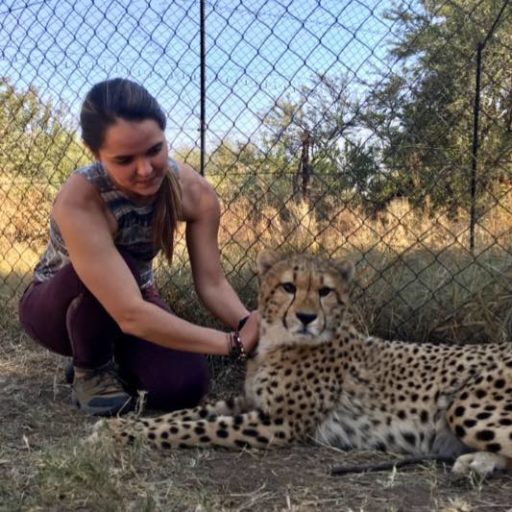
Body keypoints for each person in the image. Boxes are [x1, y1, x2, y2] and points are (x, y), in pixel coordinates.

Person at [18, 78, 259, 417]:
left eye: (154, 150)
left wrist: (247, 323)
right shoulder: (81, 198)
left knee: (184, 385)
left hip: (133, 299)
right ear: (95, 153)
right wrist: (229, 345)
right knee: (124, 265)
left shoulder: (196, 193)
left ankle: (115, 357)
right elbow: (129, 312)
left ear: (164, 136)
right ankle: (91, 368)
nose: (145, 170)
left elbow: (212, 282)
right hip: (56, 309)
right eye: (124, 159)